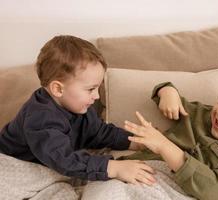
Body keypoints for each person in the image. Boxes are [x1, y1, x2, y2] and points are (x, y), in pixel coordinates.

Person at [0, 35, 156, 186]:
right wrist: (113, 168)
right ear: (58, 89)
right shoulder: (41, 118)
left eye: (98, 88)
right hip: (16, 162)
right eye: (90, 89)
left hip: (51, 160)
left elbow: (100, 133)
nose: (96, 96)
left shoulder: (80, 106)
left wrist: (135, 142)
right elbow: (64, 160)